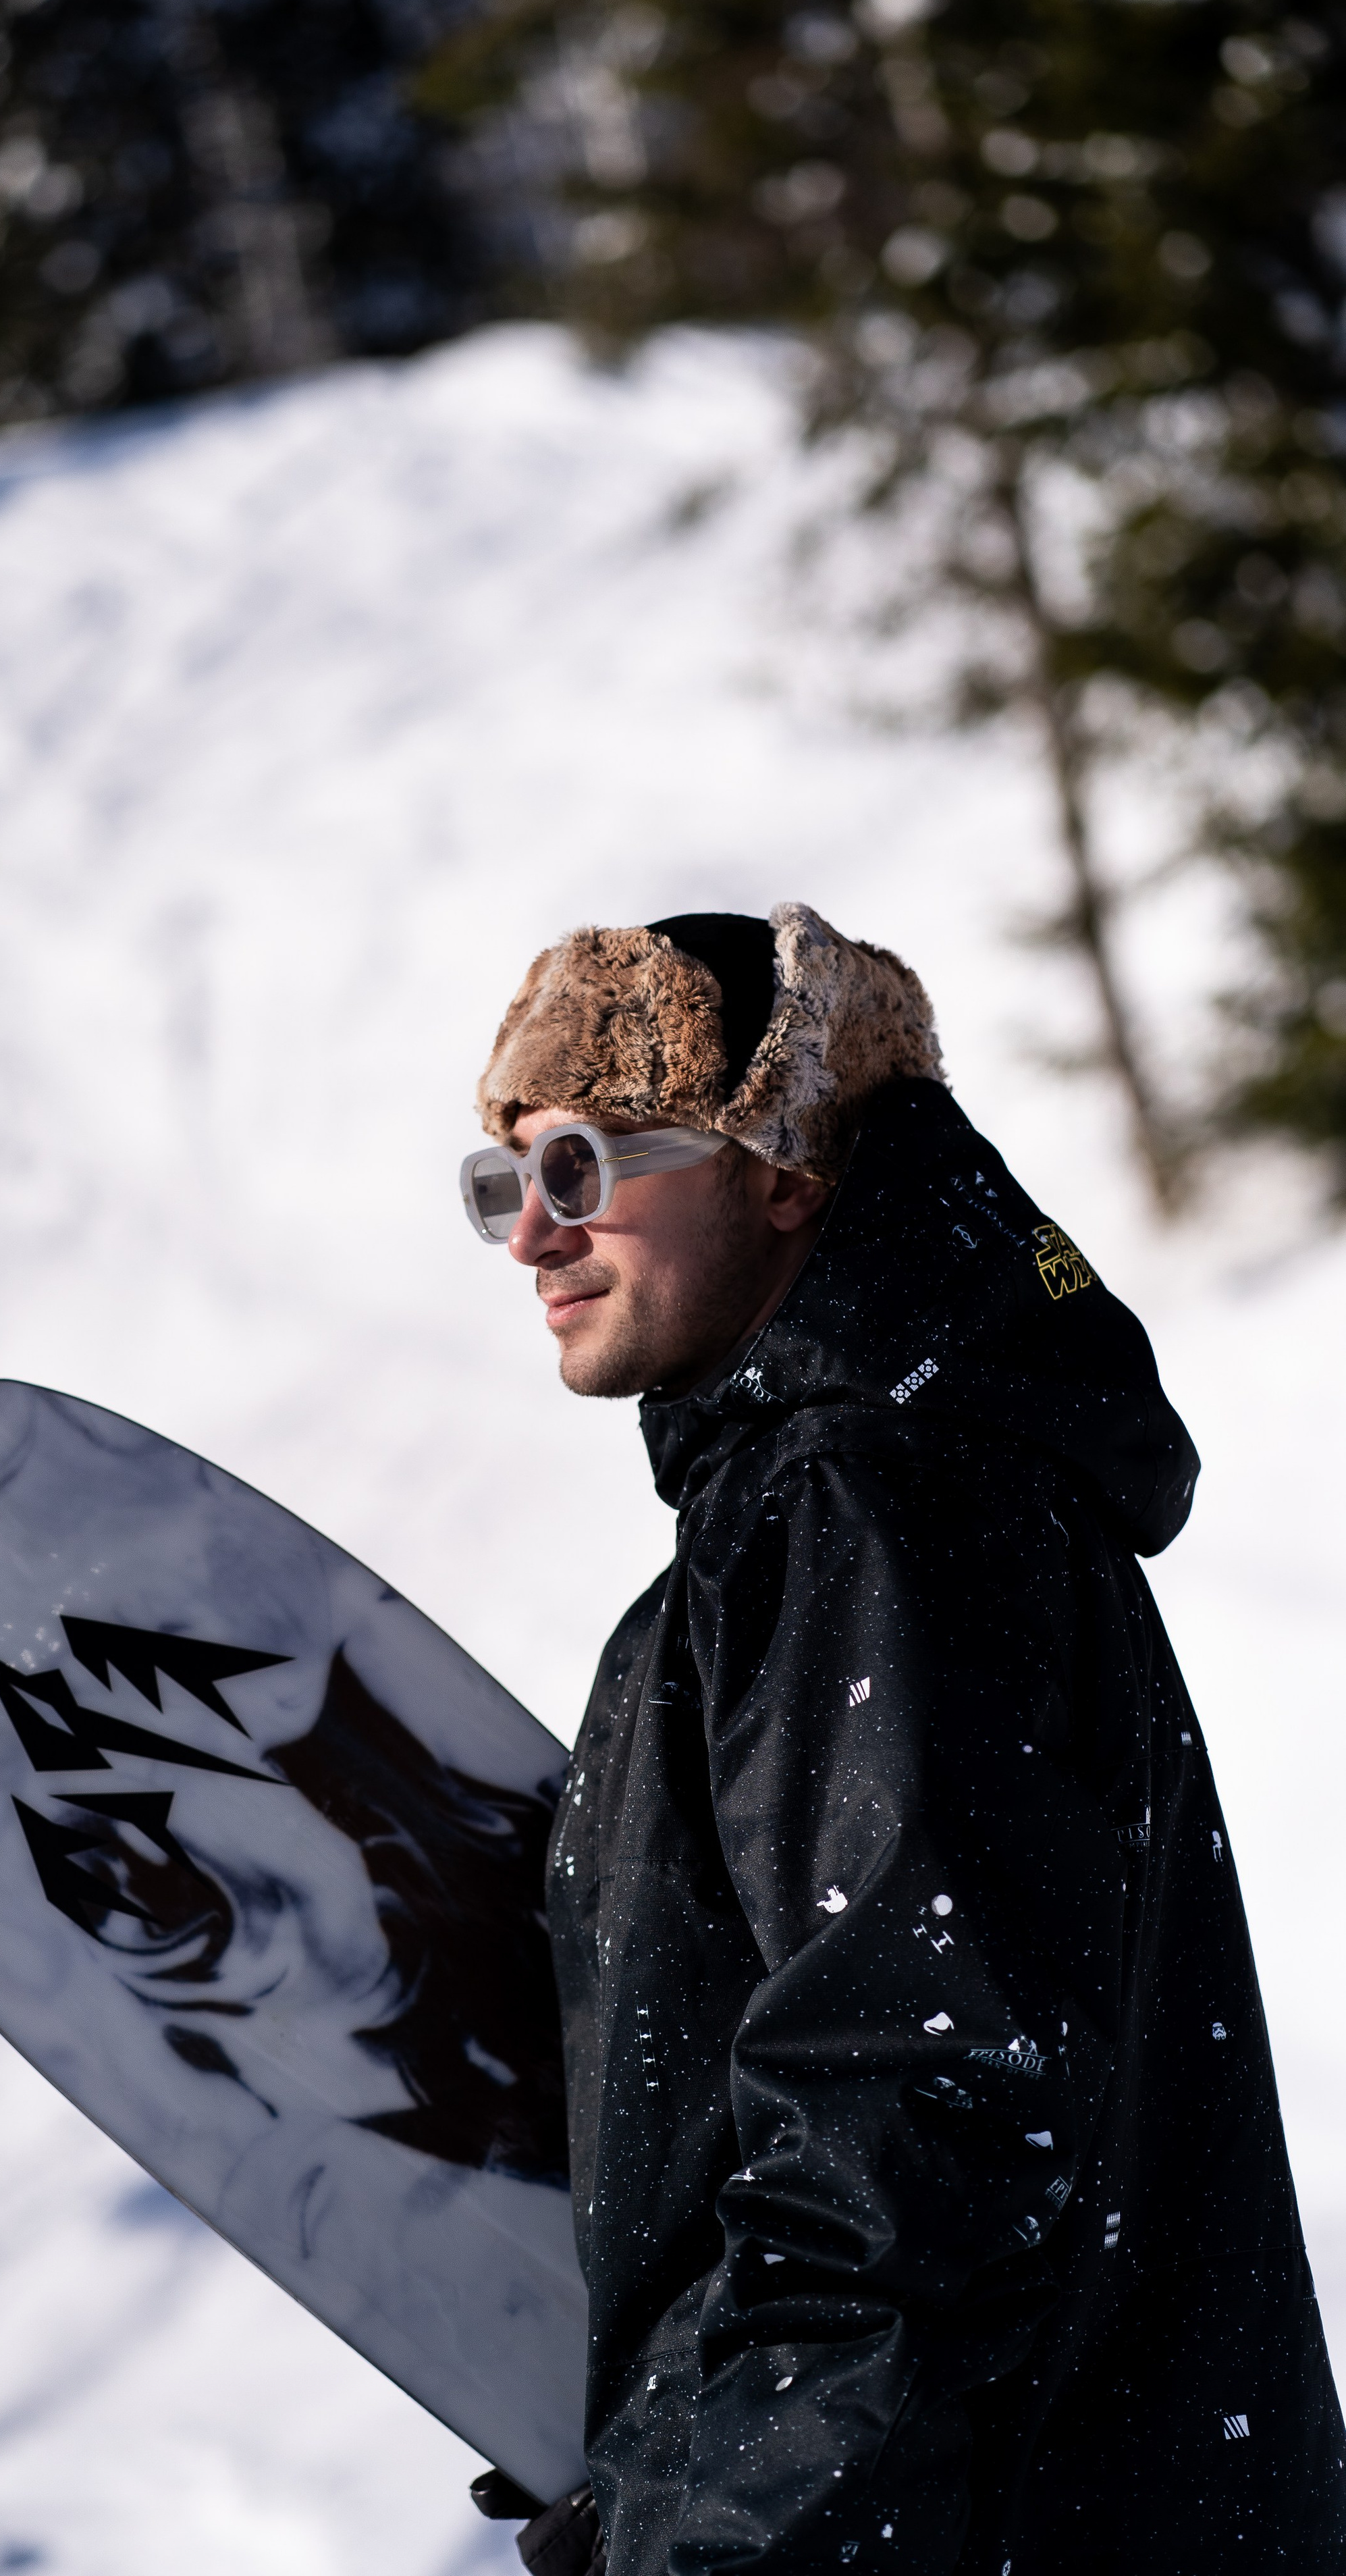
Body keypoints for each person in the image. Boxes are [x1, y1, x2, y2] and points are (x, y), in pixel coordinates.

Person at [459, 903, 1346, 2575]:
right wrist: (660, 2443)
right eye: (502, 1184)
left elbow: (908, 2126)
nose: (531, 1235)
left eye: (580, 1167)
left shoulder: (863, 1513)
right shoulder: (857, 1512)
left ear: (781, 1165)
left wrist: (716, 2538)